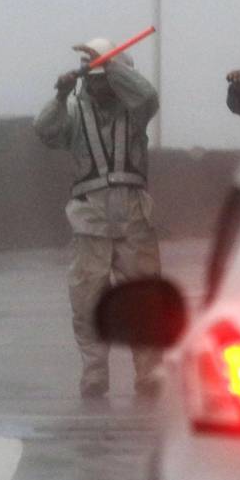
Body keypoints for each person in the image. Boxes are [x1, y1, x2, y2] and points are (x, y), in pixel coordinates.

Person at [34, 37, 161, 399]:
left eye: (105, 77)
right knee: (86, 298)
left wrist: (113, 65)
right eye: (93, 77)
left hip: (134, 215)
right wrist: (60, 96)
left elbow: (148, 97)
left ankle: (149, 372)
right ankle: (94, 372)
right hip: (90, 217)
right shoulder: (74, 112)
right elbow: (44, 131)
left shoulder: (134, 111)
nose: (98, 84)